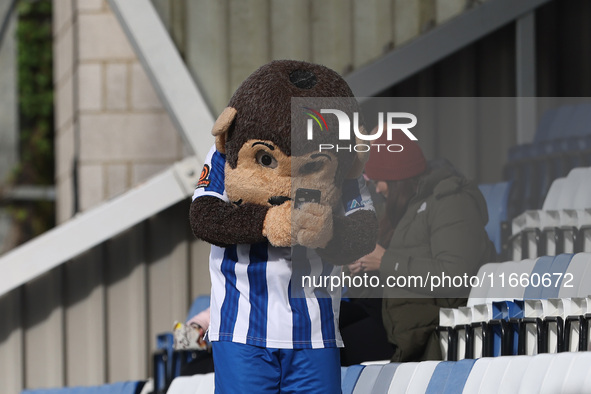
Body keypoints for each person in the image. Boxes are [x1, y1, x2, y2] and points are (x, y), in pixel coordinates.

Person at [350, 128, 496, 362]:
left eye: (377, 181)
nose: (376, 189)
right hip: (397, 317)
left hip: (432, 326)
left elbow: (455, 276)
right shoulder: (402, 208)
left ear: (397, 177)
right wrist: (359, 268)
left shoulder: (451, 203)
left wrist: (385, 261)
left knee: (328, 347)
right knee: (321, 328)